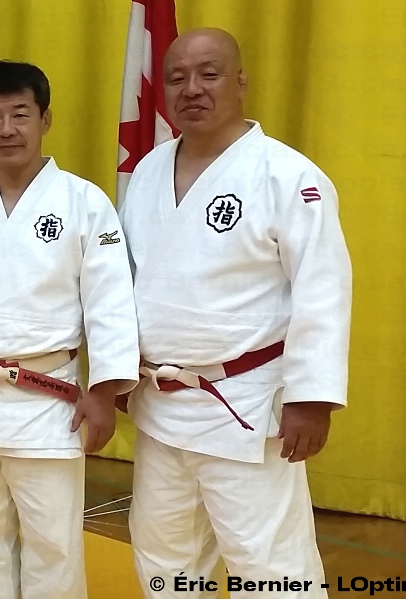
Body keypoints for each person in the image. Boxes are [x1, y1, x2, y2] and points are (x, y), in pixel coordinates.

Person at [118, 28, 353, 598]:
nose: (191, 89)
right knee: (164, 555)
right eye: (176, 78)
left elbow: (322, 291)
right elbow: (126, 280)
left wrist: (310, 399)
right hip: (161, 402)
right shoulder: (148, 170)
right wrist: (119, 369)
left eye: (209, 74)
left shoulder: (288, 176)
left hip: (244, 405)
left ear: (241, 81)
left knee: (269, 563)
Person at [0, 60, 139, 599]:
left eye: (20, 114)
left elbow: (110, 302)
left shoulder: (83, 202)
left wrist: (104, 390)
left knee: (54, 545)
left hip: (53, 404)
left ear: (45, 119)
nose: (7, 130)